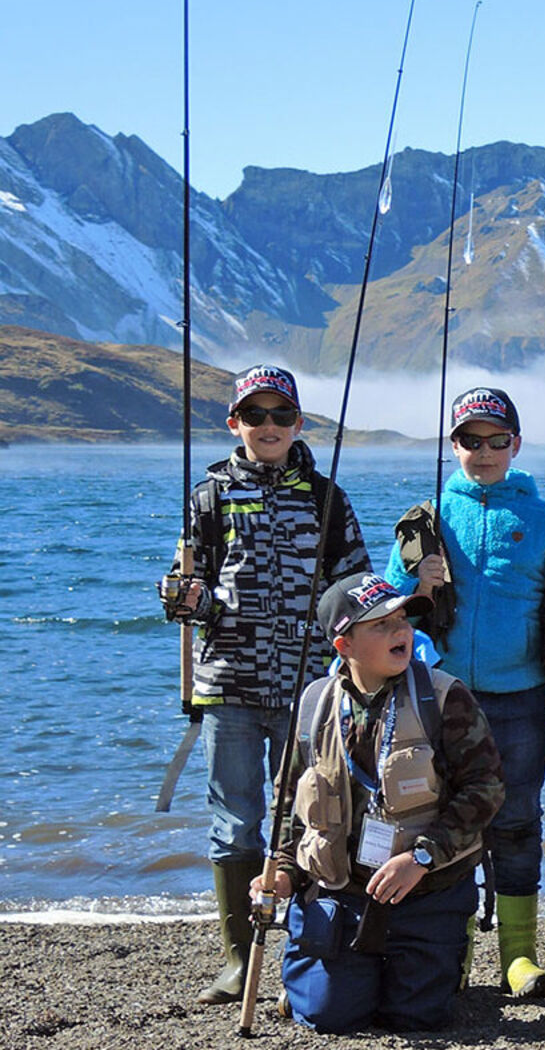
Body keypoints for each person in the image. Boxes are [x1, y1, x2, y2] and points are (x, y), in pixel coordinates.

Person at [161, 364, 370, 1005]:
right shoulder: (209, 497)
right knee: (236, 824)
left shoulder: (327, 495)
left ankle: (304, 956)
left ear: (299, 423)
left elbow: (357, 585)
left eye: (282, 415)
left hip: (310, 690)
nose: (270, 426)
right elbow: (178, 591)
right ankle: (237, 956)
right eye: (256, 415)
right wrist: (184, 597)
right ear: (235, 424)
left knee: (313, 819)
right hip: (228, 684)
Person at [382, 386, 545, 998]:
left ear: (516, 445)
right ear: (454, 446)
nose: (483, 451)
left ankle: (518, 957)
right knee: (437, 820)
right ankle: (453, 948)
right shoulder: (425, 519)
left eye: (496, 440)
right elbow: (392, 614)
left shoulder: (544, 520)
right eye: (471, 440)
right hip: (437, 698)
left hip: (522, 699)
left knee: (518, 823)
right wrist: (409, 578)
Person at [253, 573, 503, 1033]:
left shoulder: (447, 697)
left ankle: (435, 962)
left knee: (418, 1018)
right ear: (343, 644)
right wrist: (284, 872)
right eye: (381, 625)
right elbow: (289, 802)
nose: (401, 632)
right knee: (329, 1016)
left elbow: (485, 790)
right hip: (341, 891)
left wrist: (422, 856)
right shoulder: (312, 706)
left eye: (402, 619)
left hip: (426, 890)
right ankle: (319, 980)